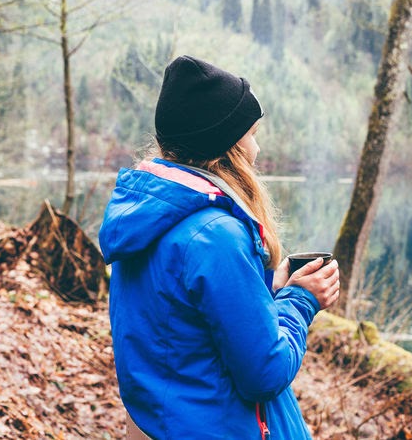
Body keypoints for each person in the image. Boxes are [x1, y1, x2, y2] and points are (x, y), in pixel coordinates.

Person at [98, 55, 341, 439]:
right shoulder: (215, 235)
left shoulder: (146, 218)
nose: (257, 150)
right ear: (226, 144)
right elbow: (264, 373)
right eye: (252, 134)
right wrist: (301, 301)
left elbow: (182, 328)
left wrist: (269, 287)